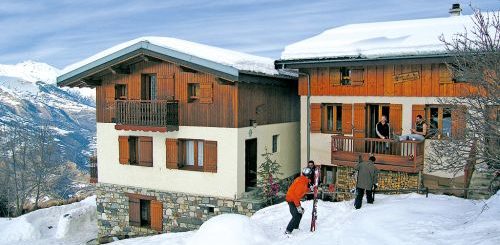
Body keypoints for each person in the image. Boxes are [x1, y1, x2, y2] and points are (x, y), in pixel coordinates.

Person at [285, 167, 311, 234]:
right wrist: (298, 206)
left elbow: (303, 189)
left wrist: (310, 189)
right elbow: (295, 195)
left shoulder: (302, 180)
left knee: (300, 212)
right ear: (308, 175)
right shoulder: (302, 182)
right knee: (296, 214)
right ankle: (288, 231)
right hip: (291, 199)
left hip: (293, 199)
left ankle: (296, 227)